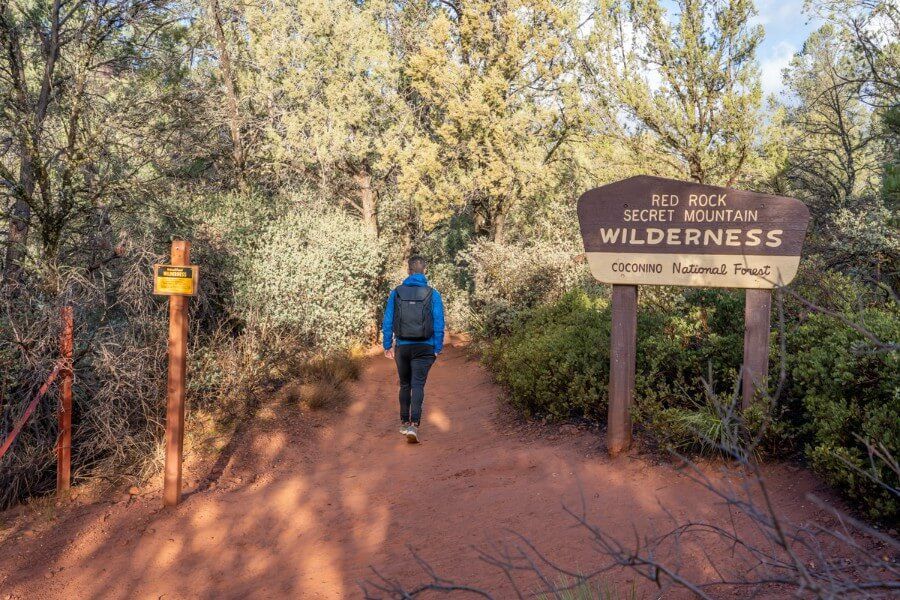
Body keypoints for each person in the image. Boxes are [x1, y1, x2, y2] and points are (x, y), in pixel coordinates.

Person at [382, 256, 445, 443]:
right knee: (418, 385)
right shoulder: (433, 294)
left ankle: (403, 421)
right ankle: (414, 425)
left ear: (408, 270)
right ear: (424, 270)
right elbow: (439, 322)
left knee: (404, 384)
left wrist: (387, 345)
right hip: (425, 346)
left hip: (402, 346)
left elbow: (387, 320)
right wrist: (437, 347)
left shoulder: (397, 293)